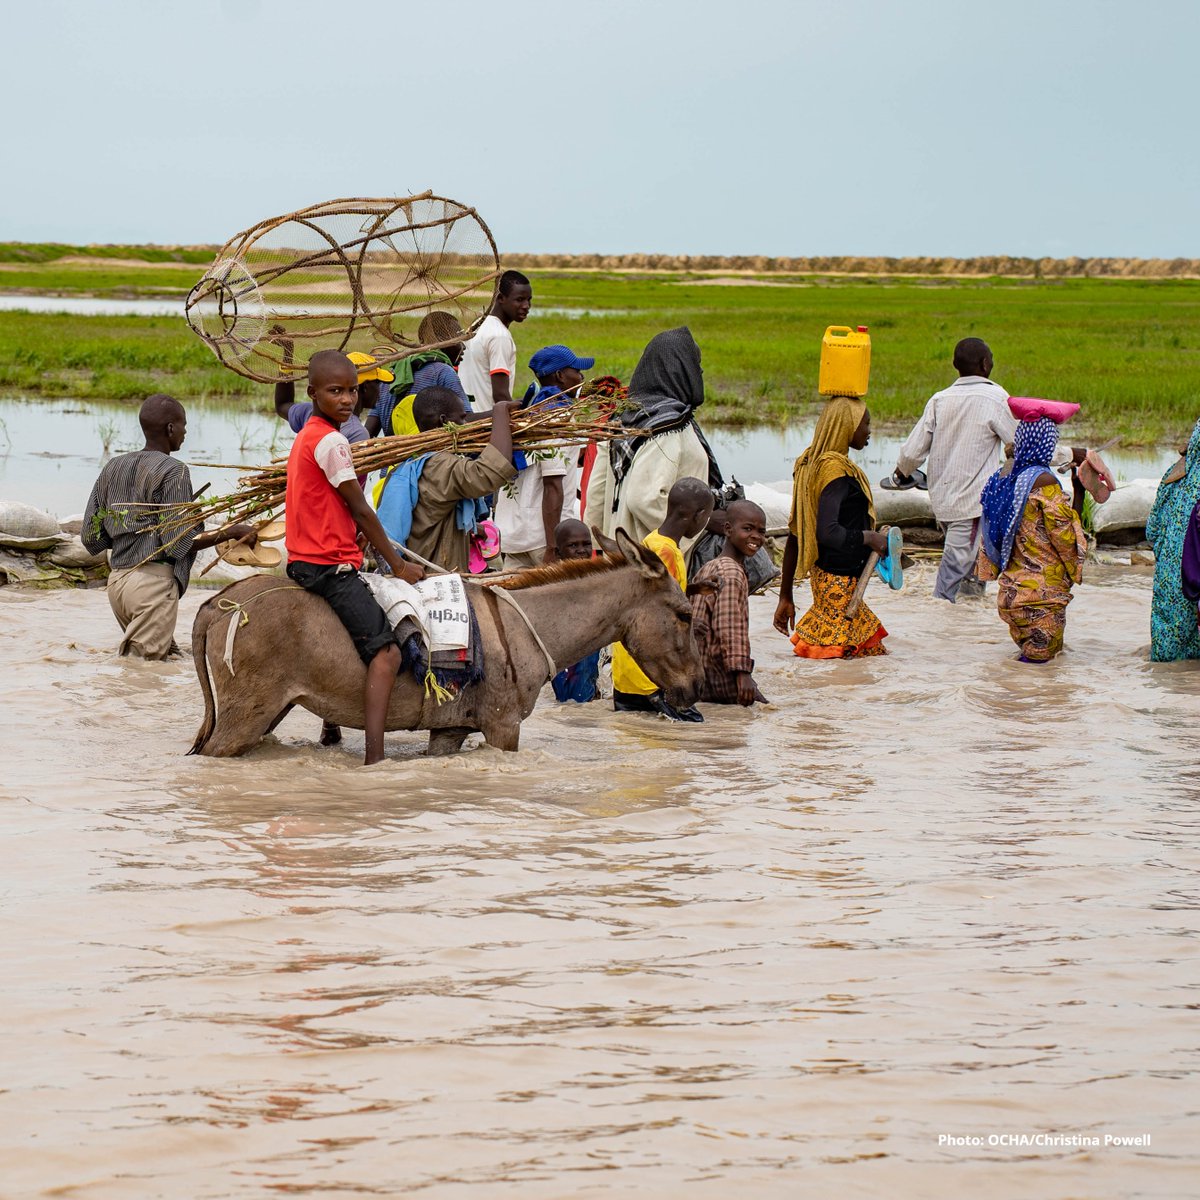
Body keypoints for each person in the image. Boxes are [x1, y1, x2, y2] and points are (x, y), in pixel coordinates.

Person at [284, 351, 424, 766]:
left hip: (302, 559)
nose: (346, 400)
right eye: (334, 391)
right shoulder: (332, 441)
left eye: (350, 391)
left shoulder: (306, 435)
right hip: (328, 567)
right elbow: (361, 507)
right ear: (312, 394)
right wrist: (399, 566)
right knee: (388, 654)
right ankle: (375, 758)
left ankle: (331, 724)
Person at [82, 394, 258, 659]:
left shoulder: (113, 466)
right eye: (184, 425)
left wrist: (128, 537)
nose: (186, 432)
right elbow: (177, 544)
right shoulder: (174, 471)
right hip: (152, 586)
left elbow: (90, 536)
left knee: (169, 658)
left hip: (118, 584)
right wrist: (231, 532)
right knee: (142, 673)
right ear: (170, 428)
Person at [584, 327, 720, 556]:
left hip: (621, 552)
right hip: (654, 561)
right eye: (695, 364)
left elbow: (597, 493)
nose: (700, 371)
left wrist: (602, 544)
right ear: (681, 370)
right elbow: (644, 500)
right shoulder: (669, 427)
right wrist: (696, 528)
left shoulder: (622, 418)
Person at [773, 397, 890, 659]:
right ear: (846, 426)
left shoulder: (810, 463)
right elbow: (827, 532)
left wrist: (786, 595)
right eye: (866, 423)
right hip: (838, 589)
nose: (870, 430)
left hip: (830, 585)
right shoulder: (833, 470)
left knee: (859, 659)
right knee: (842, 660)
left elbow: (796, 531)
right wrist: (870, 537)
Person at [975, 417, 1087, 662]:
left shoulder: (1001, 477)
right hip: (1042, 599)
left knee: (1024, 672)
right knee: (1040, 679)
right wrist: (1079, 492)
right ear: (1047, 445)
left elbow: (989, 531)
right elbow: (1066, 536)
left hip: (1011, 595)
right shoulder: (1043, 481)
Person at [375, 386, 517, 573]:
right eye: (462, 418)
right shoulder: (439, 464)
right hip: (434, 576)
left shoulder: (414, 463)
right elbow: (488, 473)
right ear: (444, 421)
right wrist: (499, 412)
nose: (466, 423)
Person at [611, 476, 714, 720]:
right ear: (698, 515)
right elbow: (656, 607)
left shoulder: (651, 541)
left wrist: (693, 588)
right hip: (648, 677)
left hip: (627, 673)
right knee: (693, 730)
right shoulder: (666, 552)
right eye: (707, 517)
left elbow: (652, 593)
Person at [495, 344, 594, 568]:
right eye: (576, 371)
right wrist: (552, 547)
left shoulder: (529, 412)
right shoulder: (557, 417)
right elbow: (552, 484)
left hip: (514, 537)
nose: (581, 376)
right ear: (560, 375)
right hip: (543, 539)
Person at [690, 500, 769, 705]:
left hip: (700, 674)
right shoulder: (732, 572)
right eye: (747, 529)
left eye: (761, 531)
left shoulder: (710, 566)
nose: (756, 537)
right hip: (720, 675)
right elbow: (729, 627)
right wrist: (742, 672)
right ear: (728, 529)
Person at [1146, 418, 1200, 662]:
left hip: (1171, 581)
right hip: (1196, 580)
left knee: (1169, 655)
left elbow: (1152, 530)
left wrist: (1168, 555)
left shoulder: (1175, 473)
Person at [367, 311, 469, 438]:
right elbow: (467, 419)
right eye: (458, 340)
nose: (463, 347)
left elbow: (369, 431)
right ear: (443, 342)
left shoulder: (392, 373)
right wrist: (498, 411)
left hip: (396, 453)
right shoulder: (443, 372)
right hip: (428, 451)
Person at [458, 270, 532, 413]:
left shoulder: (477, 324)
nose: (526, 306)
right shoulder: (500, 336)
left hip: (467, 416)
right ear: (500, 298)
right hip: (488, 422)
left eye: (529, 299)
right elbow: (500, 396)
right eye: (519, 299)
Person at [549, 519, 602, 703]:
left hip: (588, 650)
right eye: (573, 545)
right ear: (558, 553)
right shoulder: (555, 584)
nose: (581, 550)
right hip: (565, 652)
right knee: (568, 700)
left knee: (586, 696)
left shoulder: (596, 579)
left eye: (586, 544)